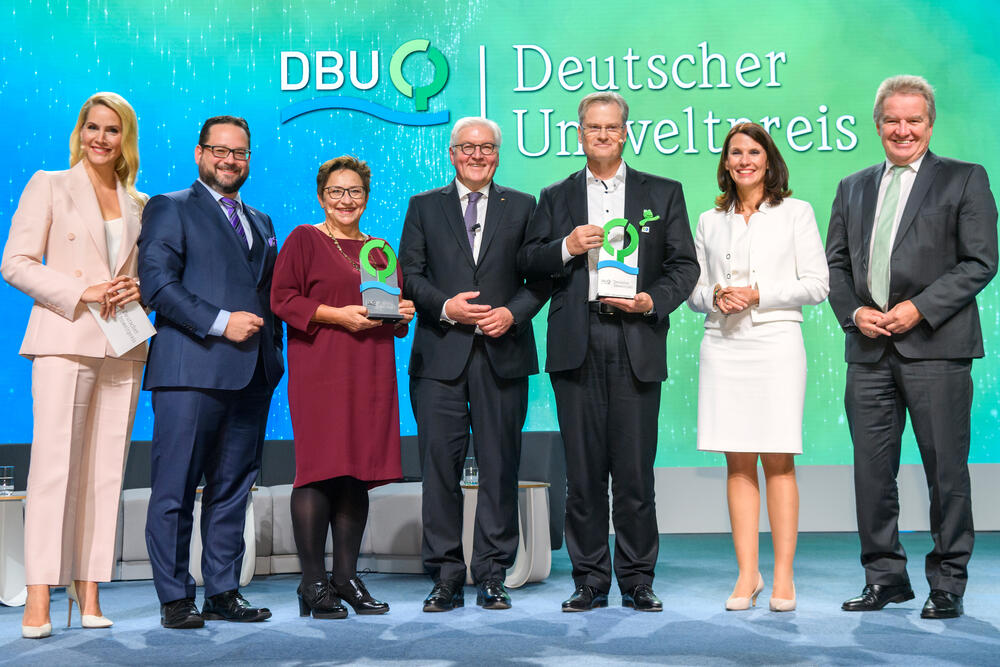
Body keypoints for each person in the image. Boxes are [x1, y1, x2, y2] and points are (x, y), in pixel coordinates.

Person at [826, 75, 998, 619]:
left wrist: (918, 308)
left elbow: (980, 261)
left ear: (930, 123)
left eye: (914, 120)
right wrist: (854, 312)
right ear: (878, 125)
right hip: (869, 352)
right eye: (892, 120)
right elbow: (833, 265)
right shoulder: (852, 185)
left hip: (937, 348)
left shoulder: (966, 180)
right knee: (871, 473)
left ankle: (947, 581)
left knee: (946, 472)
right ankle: (886, 577)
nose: (903, 129)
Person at [520, 92, 699, 612]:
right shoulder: (555, 197)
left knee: (636, 473)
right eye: (592, 128)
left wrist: (652, 301)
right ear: (579, 134)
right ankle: (590, 580)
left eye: (611, 127)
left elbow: (684, 267)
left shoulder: (662, 192)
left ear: (626, 133)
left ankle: (638, 578)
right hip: (577, 342)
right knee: (584, 472)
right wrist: (567, 248)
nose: (602, 135)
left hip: (636, 337)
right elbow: (529, 261)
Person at [1, 92, 146, 639]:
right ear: (79, 131)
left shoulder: (141, 203)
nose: (100, 139)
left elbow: (142, 276)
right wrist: (80, 290)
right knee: (54, 469)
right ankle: (38, 596)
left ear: (124, 138)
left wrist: (139, 289)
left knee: (107, 472)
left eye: (112, 130)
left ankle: (89, 590)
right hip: (63, 338)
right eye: (92, 128)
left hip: (124, 342)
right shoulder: (50, 184)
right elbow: (14, 263)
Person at [138, 115, 284, 629]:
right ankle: (175, 596)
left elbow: (267, 295)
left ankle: (222, 589)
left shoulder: (262, 221)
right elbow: (156, 283)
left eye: (240, 152)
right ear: (200, 154)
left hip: (252, 377)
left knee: (232, 490)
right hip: (190, 371)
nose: (230, 159)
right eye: (220, 150)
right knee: (175, 489)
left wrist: (274, 355)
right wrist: (220, 323)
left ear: (249, 159)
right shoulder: (169, 207)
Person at [399, 117, 546, 612]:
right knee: (438, 467)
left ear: (498, 155)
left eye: (486, 148)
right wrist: (446, 307)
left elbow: (541, 278)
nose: (477, 155)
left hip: (503, 354)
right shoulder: (423, 207)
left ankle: (492, 573)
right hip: (440, 354)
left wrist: (512, 313)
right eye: (467, 147)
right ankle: (444, 574)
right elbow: (411, 274)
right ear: (452, 153)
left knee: (500, 466)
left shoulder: (524, 207)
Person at [687, 123, 829, 613]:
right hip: (723, 345)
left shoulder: (796, 213)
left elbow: (817, 284)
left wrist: (759, 294)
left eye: (754, 151)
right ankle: (748, 574)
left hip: (775, 343)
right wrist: (715, 297)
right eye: (735, 153)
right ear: (725, 163)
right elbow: (694, 291)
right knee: (737, 460)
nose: (744, 160)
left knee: (779, 459)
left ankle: (784, 576)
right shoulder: (709, 219)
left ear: (769, 159)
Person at [271, 156, 415, 619]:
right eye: (336, 192)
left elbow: (384, 312)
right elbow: (282, 299)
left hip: (370, 371)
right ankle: (312, 582)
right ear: (321, 196)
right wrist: (337, 315)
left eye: (354, 192)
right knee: (319, 468)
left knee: (356, 469)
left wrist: (401, 315)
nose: (346, 200)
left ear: (366, 197)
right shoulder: (303, 239)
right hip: (322, 368)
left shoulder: (379, 249)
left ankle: (346, 578)